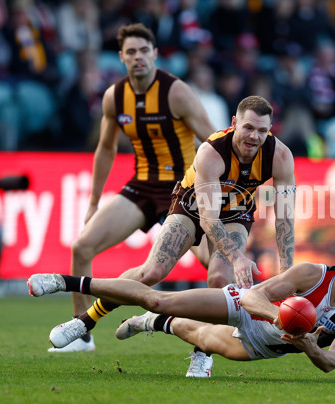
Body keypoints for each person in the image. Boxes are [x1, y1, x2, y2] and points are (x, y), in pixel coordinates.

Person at [45, 95, 297, 377]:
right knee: (152, 272)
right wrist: (237, 257)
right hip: (193, 206)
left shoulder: (281, 156)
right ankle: (85, 320)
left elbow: (285, 218)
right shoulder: (212, 152)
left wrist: (288, 273)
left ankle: (202, 353)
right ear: (234, 123)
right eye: (249, 128)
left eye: (262, 131)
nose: (254, 137)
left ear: (271, 129)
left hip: (236, 211)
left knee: (219, 279)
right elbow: (208, 218)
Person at [54, 23, 216, 353]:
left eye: (144, 50)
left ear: (155, 54)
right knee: (81, 247)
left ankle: (240, 324)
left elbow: (215, 142)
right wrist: (94, 202)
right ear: (121, 57)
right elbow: (106, 149)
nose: (138, 57)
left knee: (216, 266)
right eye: (131, 52)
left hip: (183, 190)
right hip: (142, 186)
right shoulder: (115, 96)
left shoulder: (176, 92)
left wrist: (216, 196)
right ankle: (81, 336)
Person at [27, 233, 335, 374]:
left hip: (265, 345)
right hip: (248, 309)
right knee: (159, 298)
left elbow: (331, 362)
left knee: (198, 335)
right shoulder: (312, 274)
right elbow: (252, 295)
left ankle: (148, 324)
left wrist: (308, 345)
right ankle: (64, 282)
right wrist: (282, 317)